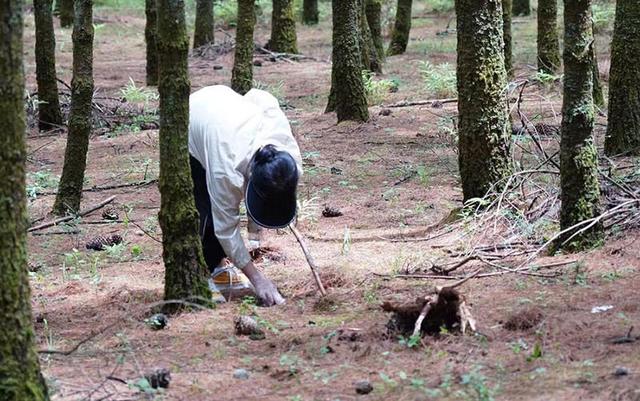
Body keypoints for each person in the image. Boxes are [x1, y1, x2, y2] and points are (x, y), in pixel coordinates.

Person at [188, 85, 303, 307]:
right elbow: (226, 228)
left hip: (230, 110)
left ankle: (219, 267)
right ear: (249, 180)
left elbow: (260, 96)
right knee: (206, 214)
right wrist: (258, 279)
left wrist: (254, 231)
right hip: (195, 120)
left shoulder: (291, 162)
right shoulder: (226, 168)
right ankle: (204, 272)